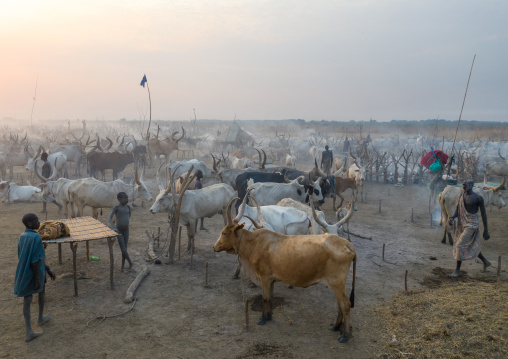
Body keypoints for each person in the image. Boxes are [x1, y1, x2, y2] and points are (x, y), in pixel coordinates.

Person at [14, 213, 56, 342]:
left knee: (28, 299)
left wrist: (47, 269)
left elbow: (22, 256)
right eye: (37, 221)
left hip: (24, 271)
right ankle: (35, 324)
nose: (39, 223)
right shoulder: (36, 237)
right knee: (40, 290)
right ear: (31, 224)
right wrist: (38, 278)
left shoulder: (22, 236)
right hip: (35, 270)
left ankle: (32, 327)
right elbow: (35, 260)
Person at [448, 179, 491, 277]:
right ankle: (486, 262)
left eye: (466, 184)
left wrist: (486, 231)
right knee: (471, 245)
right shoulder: (461, 196)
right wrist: (452, 217)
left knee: (459, 245)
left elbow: (484, 214)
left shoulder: (478, 198)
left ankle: (457, 270)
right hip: (462, 224)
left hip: (472, 225)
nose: (464, 186)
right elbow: (457, 210)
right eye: (463, 185)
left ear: (472, 185)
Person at [108, 192, 134, 272]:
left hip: (126, 230)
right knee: (123, 249)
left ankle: (122, 267)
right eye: (124, 198)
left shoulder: (128, 207)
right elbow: (109, 217)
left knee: (125, 249)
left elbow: (129, 215)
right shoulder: (116, 207)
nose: (126, 199)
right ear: (119, 199)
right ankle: (130, 263)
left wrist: (126, 222)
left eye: (127, 198)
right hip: (119, 231)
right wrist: (114, 227)